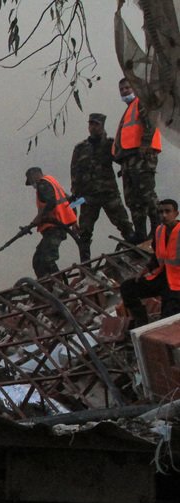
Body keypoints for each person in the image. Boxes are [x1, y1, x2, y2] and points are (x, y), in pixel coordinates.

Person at [71, 113, 134, 261]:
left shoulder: (110, 144)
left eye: (96, 124)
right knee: (84, 233)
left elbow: (123, 160)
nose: (92, 127)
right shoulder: (80, 148)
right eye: (91, 124)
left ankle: (135, 253)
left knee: (125, 226)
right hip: (88, 197)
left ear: (102, 126)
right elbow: (74, 171)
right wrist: (75, 193)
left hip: (109, 193)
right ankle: (85, 266)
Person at [114, 77, 162, 241]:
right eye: (122, 89)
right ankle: (140, 234)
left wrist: (145, 144)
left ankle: (158, 228)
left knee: (146, 195)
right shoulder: (128, 110)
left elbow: (150, 123)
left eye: (127, 88)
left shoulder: (141, 103)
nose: (125, 91)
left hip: (142, 156)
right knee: (133, 199)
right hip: (129, 159)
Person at [120, 197, 180, 327]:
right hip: (162, 278)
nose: (164, 215)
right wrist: (144, 271)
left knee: (167, 321)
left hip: (177, 285)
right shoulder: (159, 231)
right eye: (161, 212)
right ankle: (141, 323)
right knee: (128, 288)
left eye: (167, 211)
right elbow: (156, 257)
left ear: (176, 213)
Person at [23, 166, 78, 278]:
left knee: (46, 259)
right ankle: (47, 284)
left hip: (55, 228)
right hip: (55, 227)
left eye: (32, 181)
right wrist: (73, 221)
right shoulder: (52, 183)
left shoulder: (43, 185)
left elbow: (51, 203)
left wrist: (38, 219)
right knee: (38, 259)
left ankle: (57, 285)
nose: (33, 186)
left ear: (34, 175)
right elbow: (70, 202)